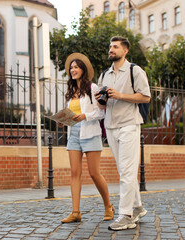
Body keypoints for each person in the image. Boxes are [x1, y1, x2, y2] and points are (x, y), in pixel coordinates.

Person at [95, 36, 151, 231]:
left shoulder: (135, 71)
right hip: (111, 125)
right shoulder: (104, 75)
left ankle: (125, 214)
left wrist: (120, 95)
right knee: (123, 170)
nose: (111, 49)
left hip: (129, 124)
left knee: (127, 171)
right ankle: (137, 207)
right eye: (110, 46)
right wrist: (101, 98)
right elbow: (102, 103)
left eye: (116, 47)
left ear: (125, 51)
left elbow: (145, 96)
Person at [60, 53, 114, 223]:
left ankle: (108, 205)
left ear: (83, 69)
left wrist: (85, 116)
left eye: (76, 67)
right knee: (75, 173)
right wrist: (63, 120)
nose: (73, 70)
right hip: (74, 134)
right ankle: (75, 212)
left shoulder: (93, 88)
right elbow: (71, 113)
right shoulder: (70, 92)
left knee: (94, 173)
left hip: (90, 133)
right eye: (71, 67)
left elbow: (100, 111)